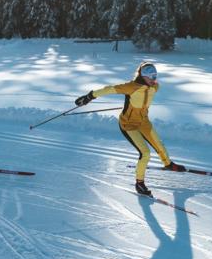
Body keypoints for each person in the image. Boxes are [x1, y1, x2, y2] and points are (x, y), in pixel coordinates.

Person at [77, 60, 184, 196]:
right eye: (151, 76)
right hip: (128, 125)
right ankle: (139, 183)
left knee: (159, 145)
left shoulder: (154, 87)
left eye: (155, 76)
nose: (153, 79)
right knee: (145, 153)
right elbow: (109, 89)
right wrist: (89, 96)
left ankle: (168, 164)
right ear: (142, 76)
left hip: (144, 122)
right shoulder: (131, 87)